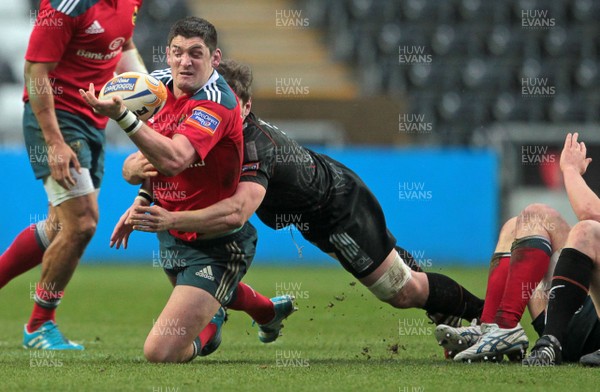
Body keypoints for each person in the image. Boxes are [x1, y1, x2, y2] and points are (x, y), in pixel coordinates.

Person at [114, 59, 485, 337]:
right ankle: (447, 309)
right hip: (311, 214)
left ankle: (488, 318)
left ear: (244, 105)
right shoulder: (203, 128)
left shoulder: (255, 145)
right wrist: (142, 200)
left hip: (337, 209)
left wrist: (169, 219)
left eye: (232, 101)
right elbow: (170, 167)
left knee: (402, 290)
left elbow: (238, 213)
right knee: (404, 279)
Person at [80, 16, 272, 363]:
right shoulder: (155, 87)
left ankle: (214, 332)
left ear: (214, 59)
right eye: (178, 52)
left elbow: (174, 159)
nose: (186, 61)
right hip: (170, 232)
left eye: (196, 53)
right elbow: (135, 167)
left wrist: (123, 117)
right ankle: (258, 311)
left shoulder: (217, 101)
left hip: (218, 242)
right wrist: (138, 190)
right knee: (204, 297)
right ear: (167, 54)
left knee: (161, 352)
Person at [0, 0, 146, 350]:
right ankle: (39, 325)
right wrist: (53, 141)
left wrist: (147, 89)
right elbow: (35, 71)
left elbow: (122, 43)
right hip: (57, 117)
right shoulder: (69, 5)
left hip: (95, 119)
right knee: (81, 224)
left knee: (57, 227)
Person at [438, 134, 600, 365]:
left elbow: (591, 216)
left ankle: (506, 327)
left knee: (577, 227)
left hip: (591, 329)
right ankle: (491, 328)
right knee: (516, 227)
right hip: (572, 321)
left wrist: (570, 170)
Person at [523, 133, 600, 366]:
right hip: (579, 320)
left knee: (586, 231)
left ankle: (551, 339)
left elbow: (592, 214)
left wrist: (569, 169)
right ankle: (497, 328)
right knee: (530, 217)